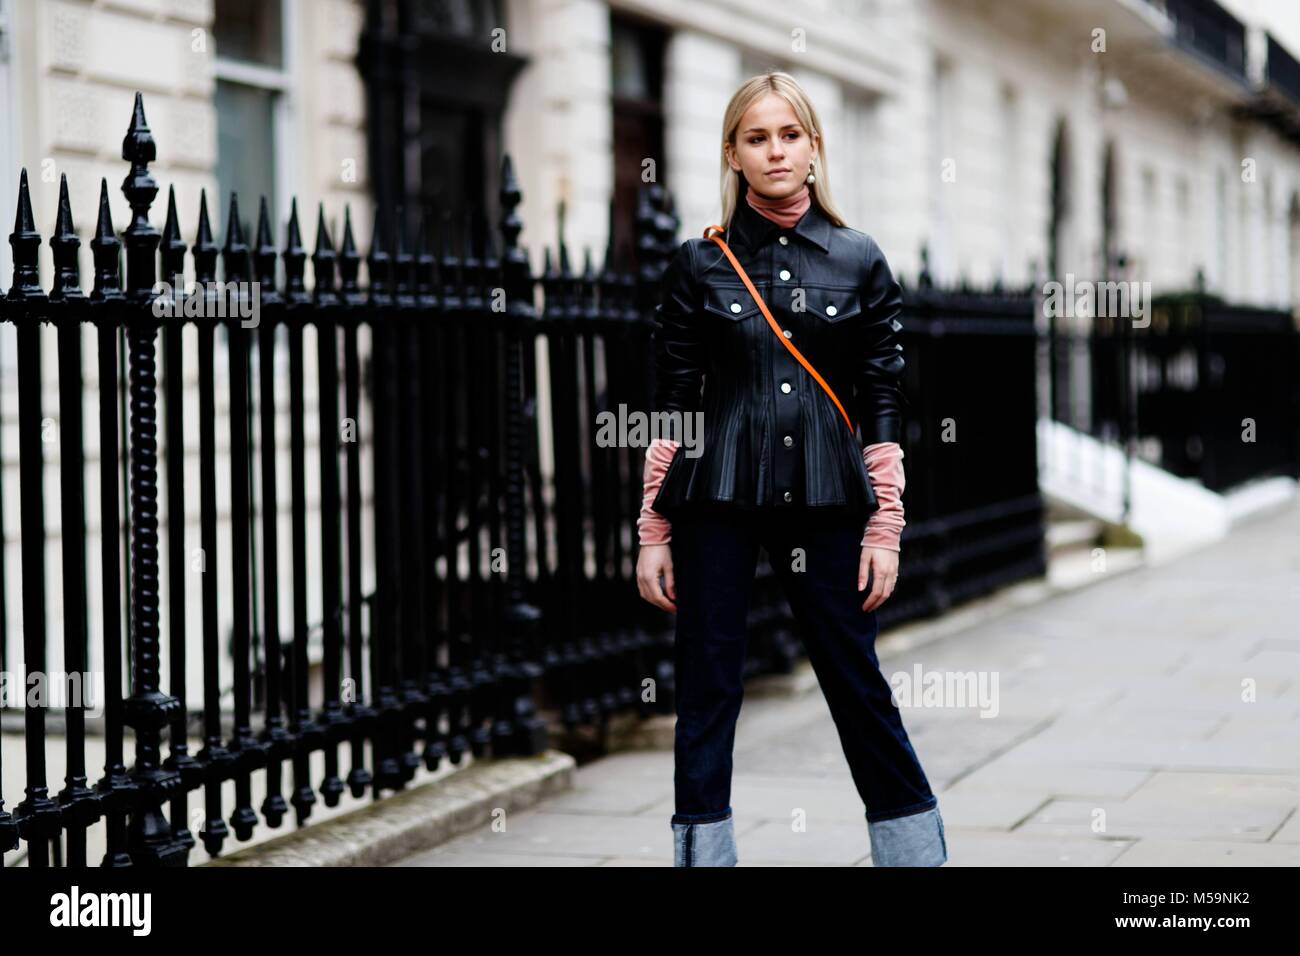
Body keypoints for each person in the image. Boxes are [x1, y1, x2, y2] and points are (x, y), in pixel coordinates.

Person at [635, 70, 946, 867]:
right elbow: (669, 400)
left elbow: (881, 397)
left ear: (814, 147)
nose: (775, 151)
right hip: (716, 498)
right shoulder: (696, 265)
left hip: (828, 497)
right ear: (733, 154)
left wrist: (886, 523)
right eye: (756, 138)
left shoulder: (861, 259)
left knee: (855, 680)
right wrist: (652, 529)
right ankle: (705, 857)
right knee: (708, 687)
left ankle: (913, 855)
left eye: (789, 135)